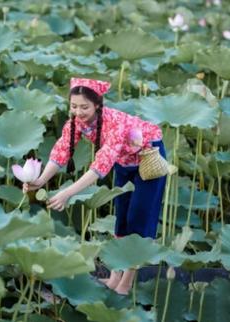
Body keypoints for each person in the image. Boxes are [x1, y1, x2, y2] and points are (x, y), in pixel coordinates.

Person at [22, 77, 167, 295]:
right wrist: (39, 181)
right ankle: (115, 274)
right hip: (124, 162)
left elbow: (99, 168)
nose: (78, 112)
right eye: (73, 106)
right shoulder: (75, 123)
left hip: (148, 160)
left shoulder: (115, 125)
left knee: (139, 218)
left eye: (84, 107)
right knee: (122, 217)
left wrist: (67, 194)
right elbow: (60, 153)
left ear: (97, 105)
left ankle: (126, 283)